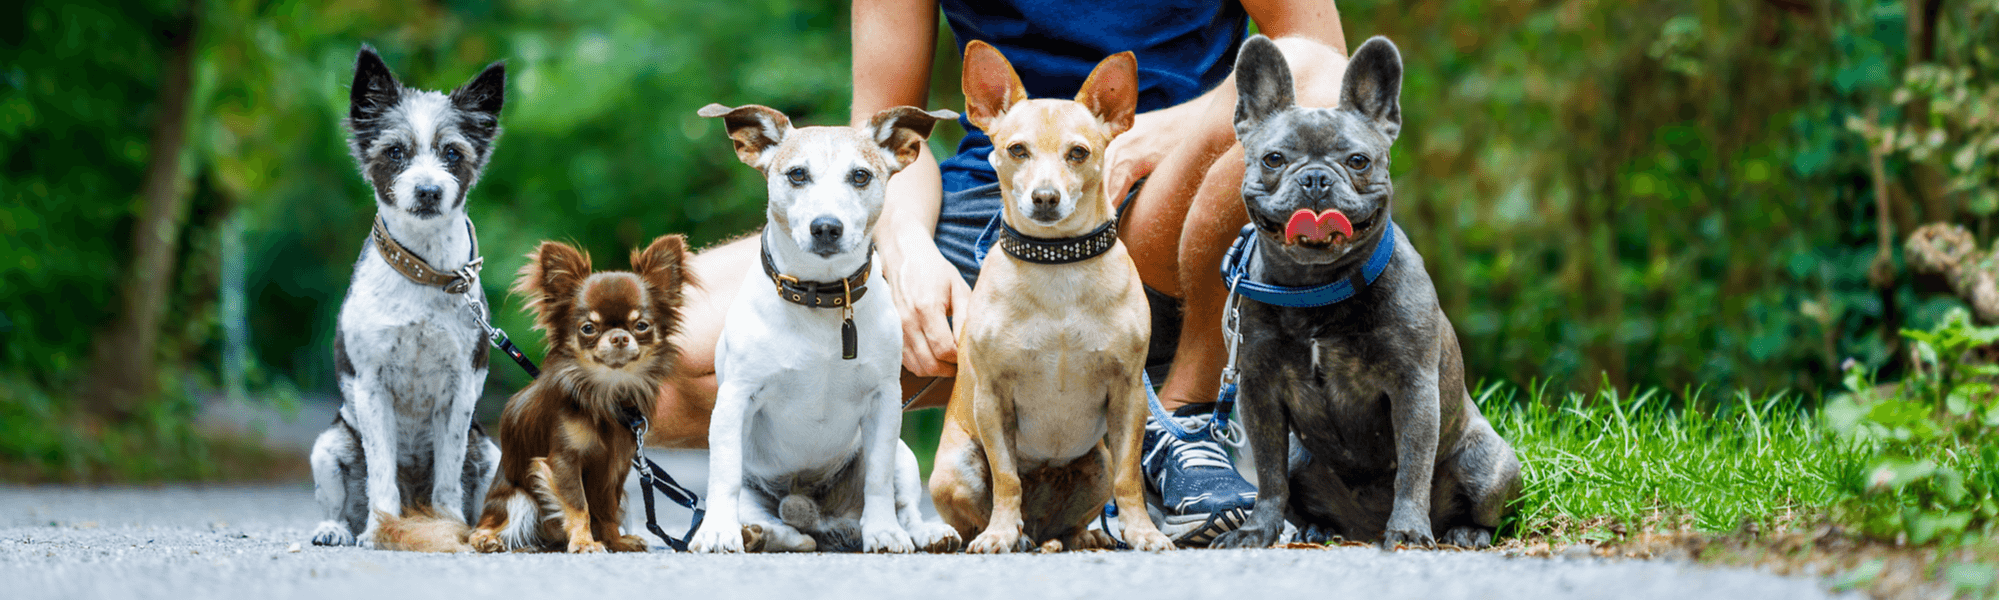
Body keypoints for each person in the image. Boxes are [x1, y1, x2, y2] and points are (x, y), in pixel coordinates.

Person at [652, 0, 1353, 545]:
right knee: (668, 349)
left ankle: (1186, 417)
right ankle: (816, 496)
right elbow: (883, 121)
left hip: (1162, 188)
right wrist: (904, 247)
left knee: (1305, 79)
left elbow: (1329, 65)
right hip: (987, 200)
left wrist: (1169, 130)